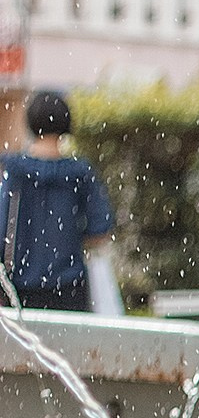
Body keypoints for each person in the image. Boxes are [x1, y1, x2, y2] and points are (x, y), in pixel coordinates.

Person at [2, 89, 116, 312]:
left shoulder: (14, 172)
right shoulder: (80, 173)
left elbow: (2, 226)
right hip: (70, 286)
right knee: (67, 346)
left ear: (31, 123)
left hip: (20, 288)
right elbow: (100, 228)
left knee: (23, 346)